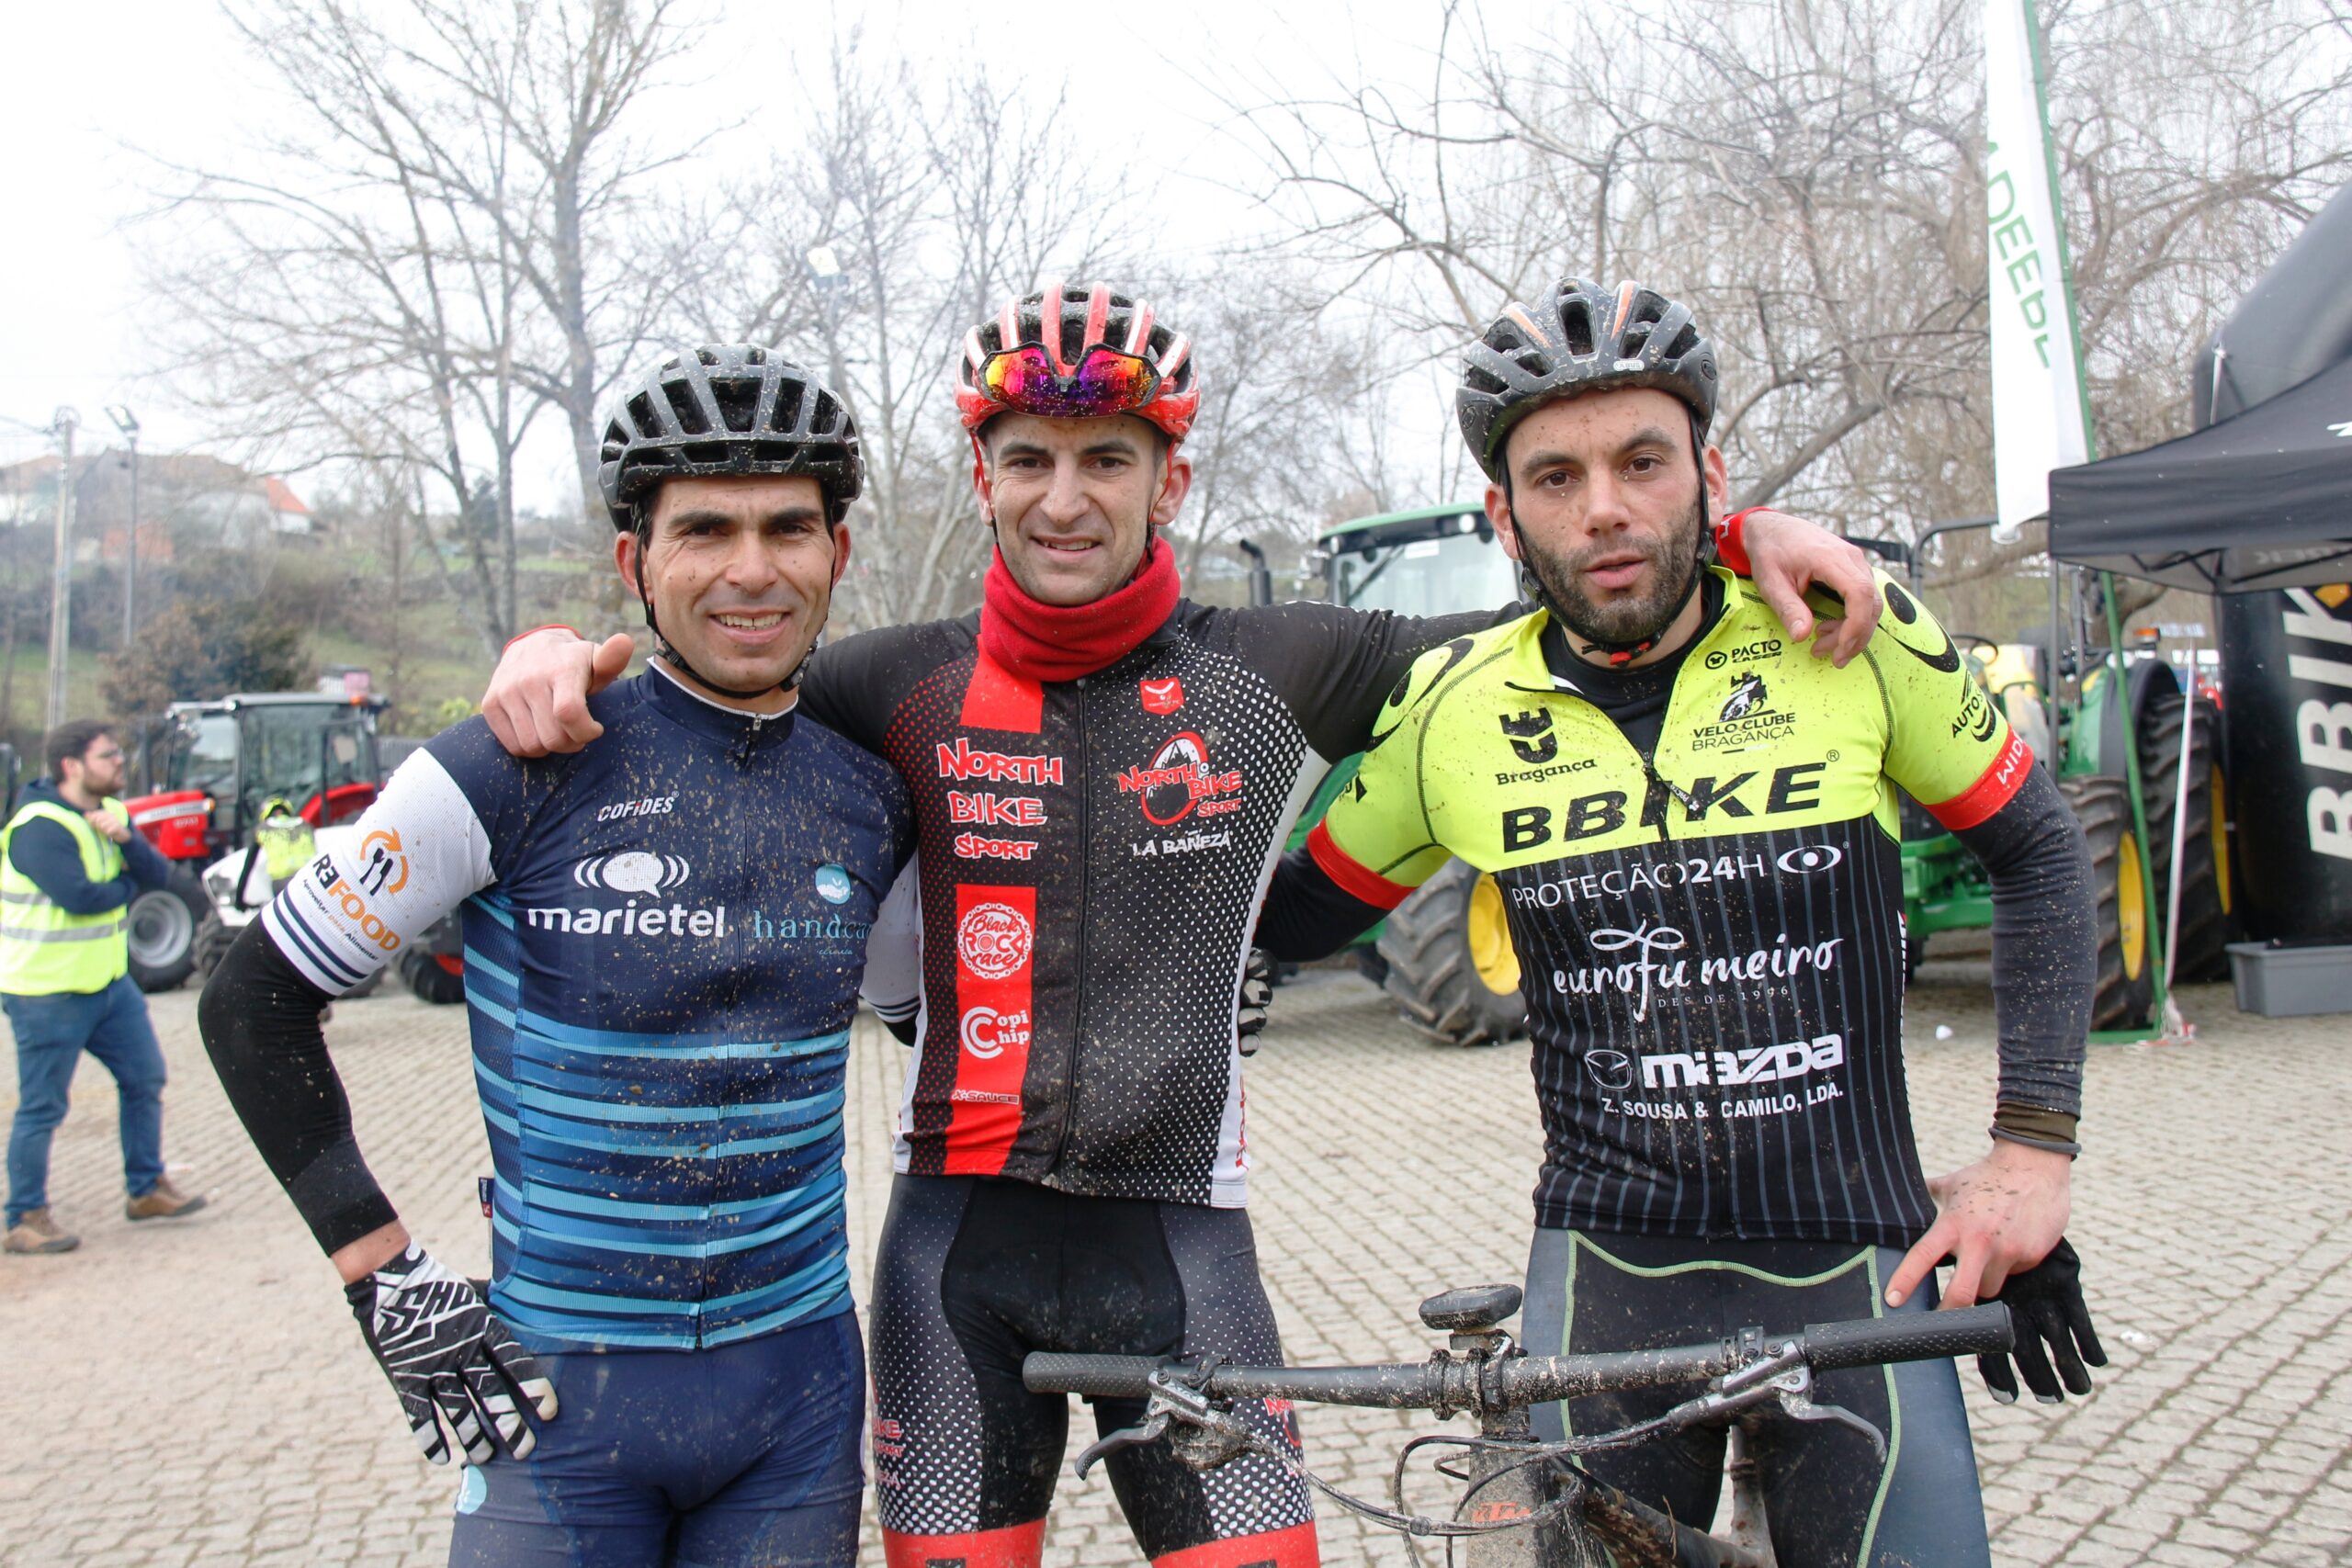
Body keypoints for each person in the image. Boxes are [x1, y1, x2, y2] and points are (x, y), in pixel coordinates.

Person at [480, 282, 1886, 1568]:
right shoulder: (890, 683)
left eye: (1109, 459)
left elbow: (1566, 609)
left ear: (1173, 476)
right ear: (983, 477)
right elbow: (712, 676)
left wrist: (1747, 529)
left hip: (1185, 1255)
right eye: (1029, 457)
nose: (1066, 497)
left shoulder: (1280, 662)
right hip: (949, 1268)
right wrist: (550, 653)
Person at [1257, 278, 2108, 1567]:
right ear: (1503, 514)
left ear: (1709, 474)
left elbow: (2039, 846)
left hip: (1854, 1255)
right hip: (1607, 1267)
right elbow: (1291, 917)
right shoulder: (1453, 710)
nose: (1603, 505)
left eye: (1642, 461)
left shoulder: (1849, 626)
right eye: (1555, 476)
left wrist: (2029, 1155)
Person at [198, 347, 912, 1567]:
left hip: (798, 1394)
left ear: (837, 553)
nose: (752, 568)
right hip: (561, 1407)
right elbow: (252, 998)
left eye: (789, 525)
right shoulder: (512, 759)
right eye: (705, 529)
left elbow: (931, 1024)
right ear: (635, 562)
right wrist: (383, 1272)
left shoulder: (873, 789)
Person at [4, 718, 207, 1255]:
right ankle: (23, 1214)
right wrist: (127, 882)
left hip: (108, 986)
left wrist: (125, 847)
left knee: (145, 1079)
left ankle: (145, 1189)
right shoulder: (38, 825)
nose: (121, 762)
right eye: (107, 756)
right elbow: (80, 897)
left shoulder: (114, 812)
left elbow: (158, 874)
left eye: (119, 753)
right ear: (72, 765)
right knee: (43, 1107)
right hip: (46, 993)